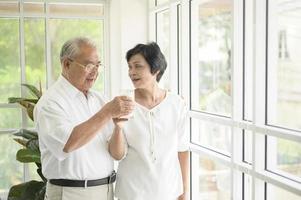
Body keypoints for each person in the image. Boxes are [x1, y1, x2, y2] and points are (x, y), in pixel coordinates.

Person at [34, 37, 134, 200]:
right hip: (71, 193)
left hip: (107, 191)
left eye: (97, 66)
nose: (94, 72)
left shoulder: (99, 99)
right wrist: (107, 112)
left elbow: (117, 154)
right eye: (88, 65)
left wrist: (118, 128)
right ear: (67, 64)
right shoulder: (50, 103)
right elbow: (67, 144)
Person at [108, 42, 190, 200]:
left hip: (169, 191)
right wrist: (118, 128)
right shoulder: (122, 103)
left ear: (156, 68)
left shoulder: (176, 104)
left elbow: (182, 149)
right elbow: (117, 155)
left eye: (138, 66)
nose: (132, 72)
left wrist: (185, 193)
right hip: (132, 193)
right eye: (130, 67)